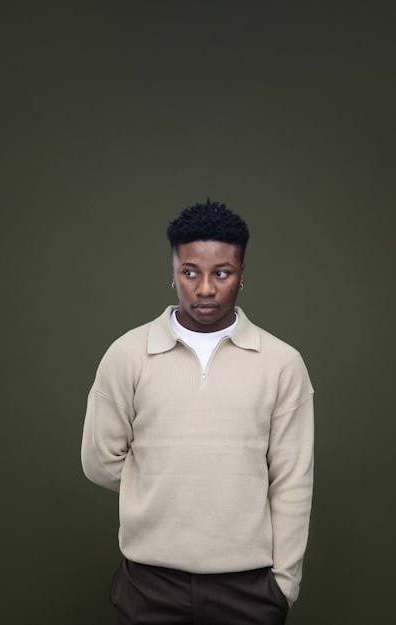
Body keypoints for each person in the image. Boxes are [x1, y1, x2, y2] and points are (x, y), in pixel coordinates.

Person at [81, 199, 314, 625]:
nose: (205, 288)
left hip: (249, 587)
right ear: (172, 274)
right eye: (190, 272)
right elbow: (99, 461)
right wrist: (170, 480)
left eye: (221, 273)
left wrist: (284, 585)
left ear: (241, 275)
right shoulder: (128, 354)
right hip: (149, 585)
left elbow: (292, 480)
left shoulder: (281, 363)